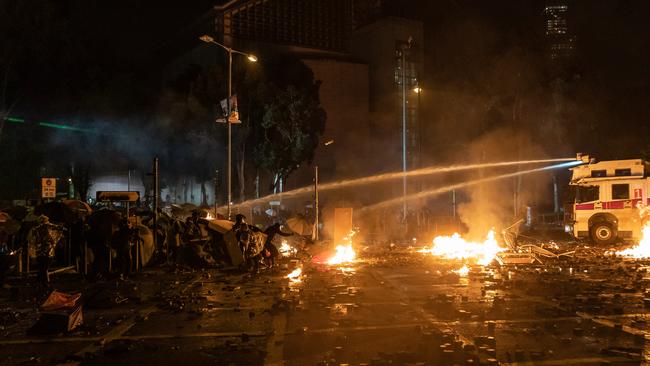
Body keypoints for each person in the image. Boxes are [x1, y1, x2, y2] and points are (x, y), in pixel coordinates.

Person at [29, 215, 61, 286]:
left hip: (43, 250)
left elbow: (31, 240)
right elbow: (53, 238)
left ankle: (39, 280)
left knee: (42, 266)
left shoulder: (36, 229)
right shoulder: (45, 229)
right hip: (46, 250)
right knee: (44, 266)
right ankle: (44, 282)